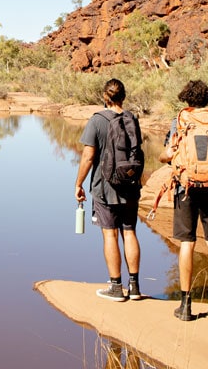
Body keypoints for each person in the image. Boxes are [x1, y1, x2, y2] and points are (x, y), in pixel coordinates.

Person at [159, 79, 208, 323]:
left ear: (186, 99)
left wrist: (167, 158)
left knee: (186, 244)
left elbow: (167, 155)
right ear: (207, 98)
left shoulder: (179, 122)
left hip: (186, 188)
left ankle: (185, 306)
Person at [75, 78, 142, 302]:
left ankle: (115, 287)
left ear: (106, 96)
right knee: (130, 231)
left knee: (110, 233)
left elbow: (88, 156)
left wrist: (78, 183)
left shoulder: (97, 120)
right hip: (130, 186)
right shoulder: (132, 119)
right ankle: (134, 287)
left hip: (105, 187)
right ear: (123, 96)